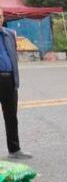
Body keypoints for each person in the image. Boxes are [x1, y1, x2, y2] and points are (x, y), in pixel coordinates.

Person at [0, 9, 31, 159]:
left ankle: (14, 149)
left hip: (9, 79)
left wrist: (15, 79)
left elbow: (13, 57)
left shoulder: (9, 34)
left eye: (0, 16)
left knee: (11, 116)